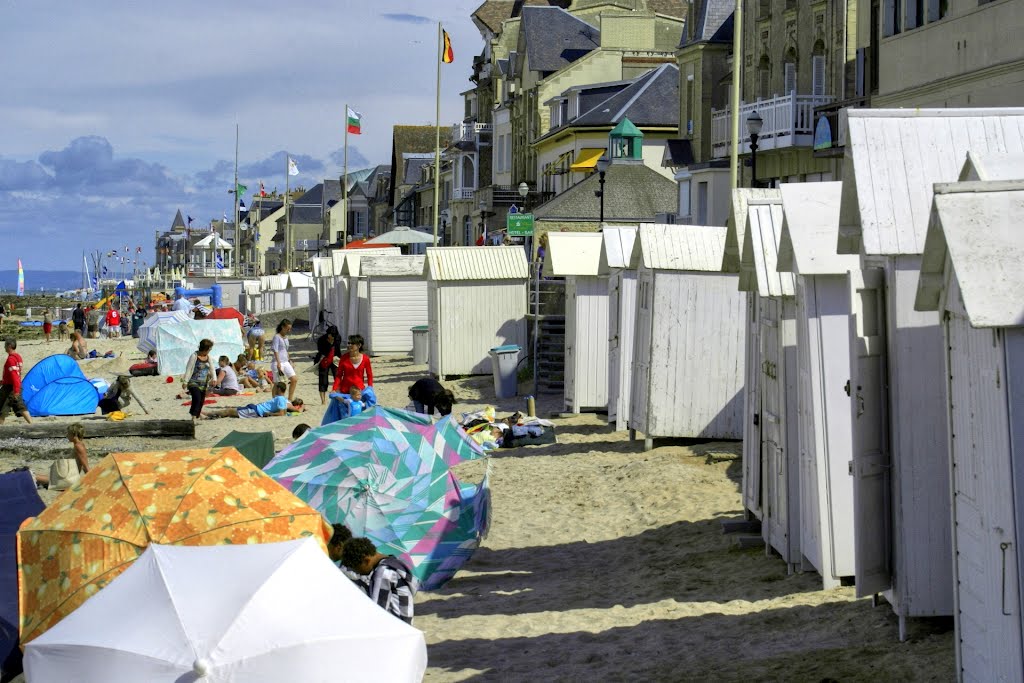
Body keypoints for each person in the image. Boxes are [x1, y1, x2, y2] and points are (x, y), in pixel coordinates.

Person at [341, 537, 416, 624]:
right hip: (405, 622)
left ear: (366, 560)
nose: (359, 573)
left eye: (357, 569)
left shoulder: (383, 573)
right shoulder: (392, 562)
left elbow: (377, 611)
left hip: (398, 626)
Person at [203, 381, 304, 418]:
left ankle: (208, 414)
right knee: (231, 410)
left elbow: (282, 413)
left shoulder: (282, 400)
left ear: (278, 389)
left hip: (256, 411)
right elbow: (274, 394)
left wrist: (270, 414)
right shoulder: (279, 398)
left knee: (229, 411)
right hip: (255, 408)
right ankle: (210, 414)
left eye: (275, 387)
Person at [34, 423, 88, 488]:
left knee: (33, 476)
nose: (67, 435)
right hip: (67, 476)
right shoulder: (78, 445)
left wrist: (92, 482)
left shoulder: (79, 446)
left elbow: (86, 467)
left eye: (68, 433)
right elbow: (81, 464)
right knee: (38, 478)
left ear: (75, 435)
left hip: (68, 480)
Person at [0, 338, 31, 425]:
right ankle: (31, 424)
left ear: (9, 346)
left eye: (5, 345)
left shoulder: (11, 359)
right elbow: (16, 373)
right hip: (14, 385)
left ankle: (1, 430)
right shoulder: (18, 357)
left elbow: (14, 375)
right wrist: (3, 381)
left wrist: (16, 390)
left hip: (11, 387)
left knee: (3, 408)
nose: (4, 347)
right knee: (20, 407)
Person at [182, 338, 215, 423]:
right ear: (205, 348)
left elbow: (212, 368)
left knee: (201, 401)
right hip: (193, 382)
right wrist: (185, 381)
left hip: (203, 383)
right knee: (196, 398)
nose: (210, 350)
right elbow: (188, 369)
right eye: (209, 349)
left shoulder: (208, 357)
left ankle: (196, 414)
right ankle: (193, 417)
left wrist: (214, 379)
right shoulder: (194, 356)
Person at [313, 325, 342, 405]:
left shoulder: (338, 338)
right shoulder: (321, 340)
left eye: (333, 336)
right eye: (330, 335)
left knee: (337, 377)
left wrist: (340, 359)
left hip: (334, 358)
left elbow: (338, 350)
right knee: (323, 380)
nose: (332, 337)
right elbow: (321, 351)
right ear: (328, 334)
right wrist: (329, 344)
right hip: (324, 359)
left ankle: (339, 396)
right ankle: (323, 401)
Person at [271, 319, 297, 402]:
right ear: (283, 327)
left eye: (290, 329)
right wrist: (278, 362)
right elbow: (275, 350)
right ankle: (275, 400)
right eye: (287, 328)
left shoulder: (286, 338)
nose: (289, 330)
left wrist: (290, 361)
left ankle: (289, 399)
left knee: (294, 379)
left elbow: (286, 350)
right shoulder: (276, 337)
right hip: (277, 361)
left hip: (285, 361)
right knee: (277, 383)